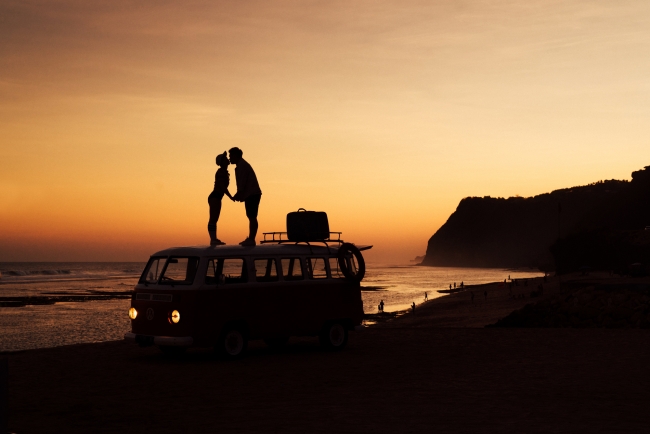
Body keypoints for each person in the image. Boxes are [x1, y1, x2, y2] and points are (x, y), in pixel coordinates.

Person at [228, 147, 262, 246]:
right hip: (251, 194)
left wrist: (238, 195)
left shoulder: (242, 166)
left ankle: (251, 239)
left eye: (231, 156)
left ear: (236, 156)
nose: (230, 158)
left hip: (252, 194)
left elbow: (242, 184)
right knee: (251, 216)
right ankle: (251, 238)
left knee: (252, 216)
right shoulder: (241, 165)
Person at [207, 152, 233, 246]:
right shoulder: (221, 172)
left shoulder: (224, 172)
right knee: (213, 218)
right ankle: (213, 239)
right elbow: (222, 186)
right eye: (225, 158)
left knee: (215, 218)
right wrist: (230, 196)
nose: (227, 159)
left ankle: (214, 239)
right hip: (215, 196)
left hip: (217, 197)